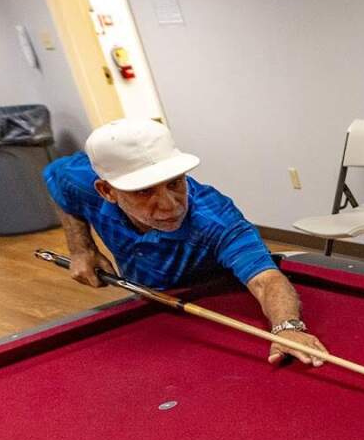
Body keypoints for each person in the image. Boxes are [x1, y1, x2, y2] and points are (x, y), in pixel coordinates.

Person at [43, 118, 327, 367]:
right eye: (144, 192)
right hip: (150, 309)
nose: (170, 205)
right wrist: (81, 248)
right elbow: (56, 178)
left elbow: (266, 280)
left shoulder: (216, 219)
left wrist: (288, 327)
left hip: (215, 304)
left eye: (174, 183)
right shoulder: (79, 179)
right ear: (107, 191)